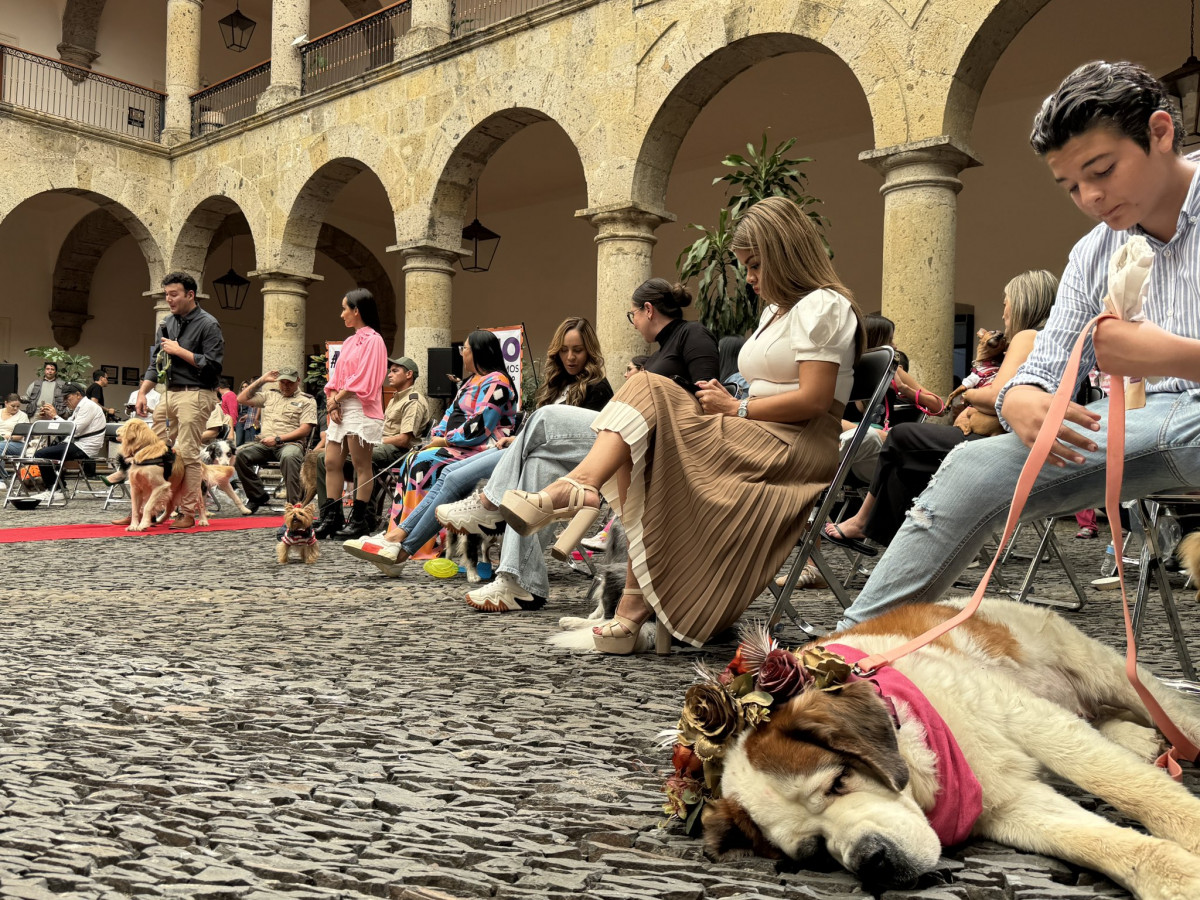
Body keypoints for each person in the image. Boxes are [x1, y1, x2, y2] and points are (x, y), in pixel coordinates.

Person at [832, 60, 1200, 632]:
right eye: (1071, 185)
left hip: (1174, 416)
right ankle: (845, 656)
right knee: (972, 465)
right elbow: (1044, 366)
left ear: (1159, 133)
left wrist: (1174, 356)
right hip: (1138, 421)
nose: (1091, 197)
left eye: (1102, 170)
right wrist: (1021, 400)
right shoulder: (1093, 252)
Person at [500, 197, 864, 650]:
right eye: (744, 266)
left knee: (649, 391)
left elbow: (813, 399)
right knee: (647, 411)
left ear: (786, 254)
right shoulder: (777, 312)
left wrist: (738, 409)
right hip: (751, 430)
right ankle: (619, 578)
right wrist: (734, 406)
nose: (749, 278)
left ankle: (580, 495)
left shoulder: (824, 306)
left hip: (792, 446)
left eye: (754, 265)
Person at [434, 281, 720, 611]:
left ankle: (490, 502)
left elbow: (706, 399)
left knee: (544, 418)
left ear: (648, 311)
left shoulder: (693, 335)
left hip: (656, 442)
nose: (635, 323)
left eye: (633, 315)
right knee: (538, 464)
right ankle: (519, 583)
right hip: (627, 442)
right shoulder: (662, 351)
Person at [343, 318, 611, 582]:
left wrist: (507, 440)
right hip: (518, 451)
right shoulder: (555, 385)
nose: (570, 357)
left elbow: (584, 443)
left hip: (550, 465)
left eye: (577, 350)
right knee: (448, 473)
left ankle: (399, 545)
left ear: (590, 350)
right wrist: (515, 438)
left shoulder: (597, 388)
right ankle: (397, 540)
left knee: (450, 473)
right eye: (564, 350)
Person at [822, 270, 1058, 560]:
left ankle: (878, 531)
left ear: (1023, 303)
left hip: (994, 446)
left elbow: (995, 397)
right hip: (1006, 443)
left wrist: (967, 397)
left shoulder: (1026, 337)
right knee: (905, 461)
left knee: (901, 437)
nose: (1004, 309)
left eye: (1007, 301)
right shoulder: (1042, 342)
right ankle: (906, 548)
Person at [345, 330, 516, 560]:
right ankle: (396, 531)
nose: (462, 354)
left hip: (481, 448)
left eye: (464, 349)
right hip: (459, 446)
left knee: (425, 463)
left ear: (477, 352)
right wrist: (434, 437)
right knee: (411, 460)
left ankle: (424, 542)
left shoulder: (498, 382)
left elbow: (480, 426)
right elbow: (448, 416)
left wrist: (444, 440)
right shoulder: (470, 381)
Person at [115, 271, 224, 530]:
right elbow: (156, 363)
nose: (169, 299)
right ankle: (146, 511)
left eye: (173, 294)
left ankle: (187, 512)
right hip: (169, 392)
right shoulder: (166, 323)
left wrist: (181, 351)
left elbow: (213, 367)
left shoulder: (209, 324)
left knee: (186, 454)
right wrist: (143, 392)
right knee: (151, 450)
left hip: (197, 392)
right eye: (166, 294)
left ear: (190, 294)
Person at [314, 355, 430, 532]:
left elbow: (404, 439)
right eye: (389, 371)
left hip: (400, 452)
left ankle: (362, 519)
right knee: (324, 459)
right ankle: (330, 516)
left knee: (363, 457)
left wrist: (371, 441)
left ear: (409, 374)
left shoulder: (413, 400)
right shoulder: (394, 398)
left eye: (395, 371)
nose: (389, 375)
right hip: (382, 447)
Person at [315, 289, 388, 539]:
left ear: (357, 310)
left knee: (360, 464)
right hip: (341, 405)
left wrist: (336, 399)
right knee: (331, 462)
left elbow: (366, 379)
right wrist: (332, 401)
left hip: (361, 406)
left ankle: (359, 520)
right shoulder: (349, 342)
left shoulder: (374, 340)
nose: (342, 313)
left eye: (345, 308)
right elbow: (335, 378)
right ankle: (331, 517)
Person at [234, 368, 318, 511]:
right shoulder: (270, 395)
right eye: (282, 382)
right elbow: (241, 399)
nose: (285, 386)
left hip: (290, 443)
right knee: (238, 455)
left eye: (289, 383)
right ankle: (257, 496)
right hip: (265, 444)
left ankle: (294, 505)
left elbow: (305, 429)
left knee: (290, 456)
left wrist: (278, 439)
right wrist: (262, 380)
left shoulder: (306, 400)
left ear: (298, 381)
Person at [32, 382, 108, 483]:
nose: (64, 402)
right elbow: (66, 427)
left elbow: (72, 429)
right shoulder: (80, 407)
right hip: (76, 443)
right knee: (45, 453)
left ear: (78, 394)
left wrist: (55, 416)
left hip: (84, 446)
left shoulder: (89, 406)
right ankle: (58, 487)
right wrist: (50, 417)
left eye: (67, 397)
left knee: (42, 454)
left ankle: (55, 489)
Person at [0, 393, 29, 480]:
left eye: (18, 406)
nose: (15, 408)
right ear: (6, 403)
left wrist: (9, 437)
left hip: (16, 443)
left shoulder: (22, 416)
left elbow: (20, 436)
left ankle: (2, 478)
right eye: (13, 406)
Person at [235, 380, 259, 446]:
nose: (244, 388)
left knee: (247, 441)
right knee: (239, 440)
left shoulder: (252, 397)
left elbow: (255, 410)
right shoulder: (239, 397)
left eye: (246, 386)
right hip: (240, 418)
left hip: (249, 418)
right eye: (242, 387)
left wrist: (247, 416)